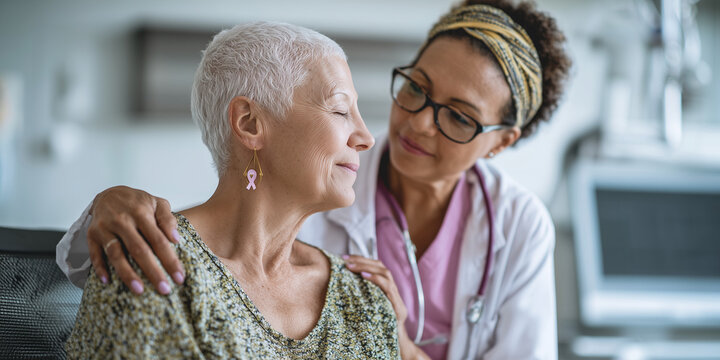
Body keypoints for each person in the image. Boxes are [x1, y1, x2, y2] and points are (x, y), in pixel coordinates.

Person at [58, 0, 571, 358]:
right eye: (415, 87)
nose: (414, 123)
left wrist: (406, 350)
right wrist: (109, 203)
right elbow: (110, 272)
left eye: (458, 117)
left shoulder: (513, 226)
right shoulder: (325, 175)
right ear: (251, 124)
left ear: (502, 141)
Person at [63, 21, 419, 359]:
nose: (366, 138)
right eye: (341, 110)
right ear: (250, 124)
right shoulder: (149, 264)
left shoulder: (365, 298)